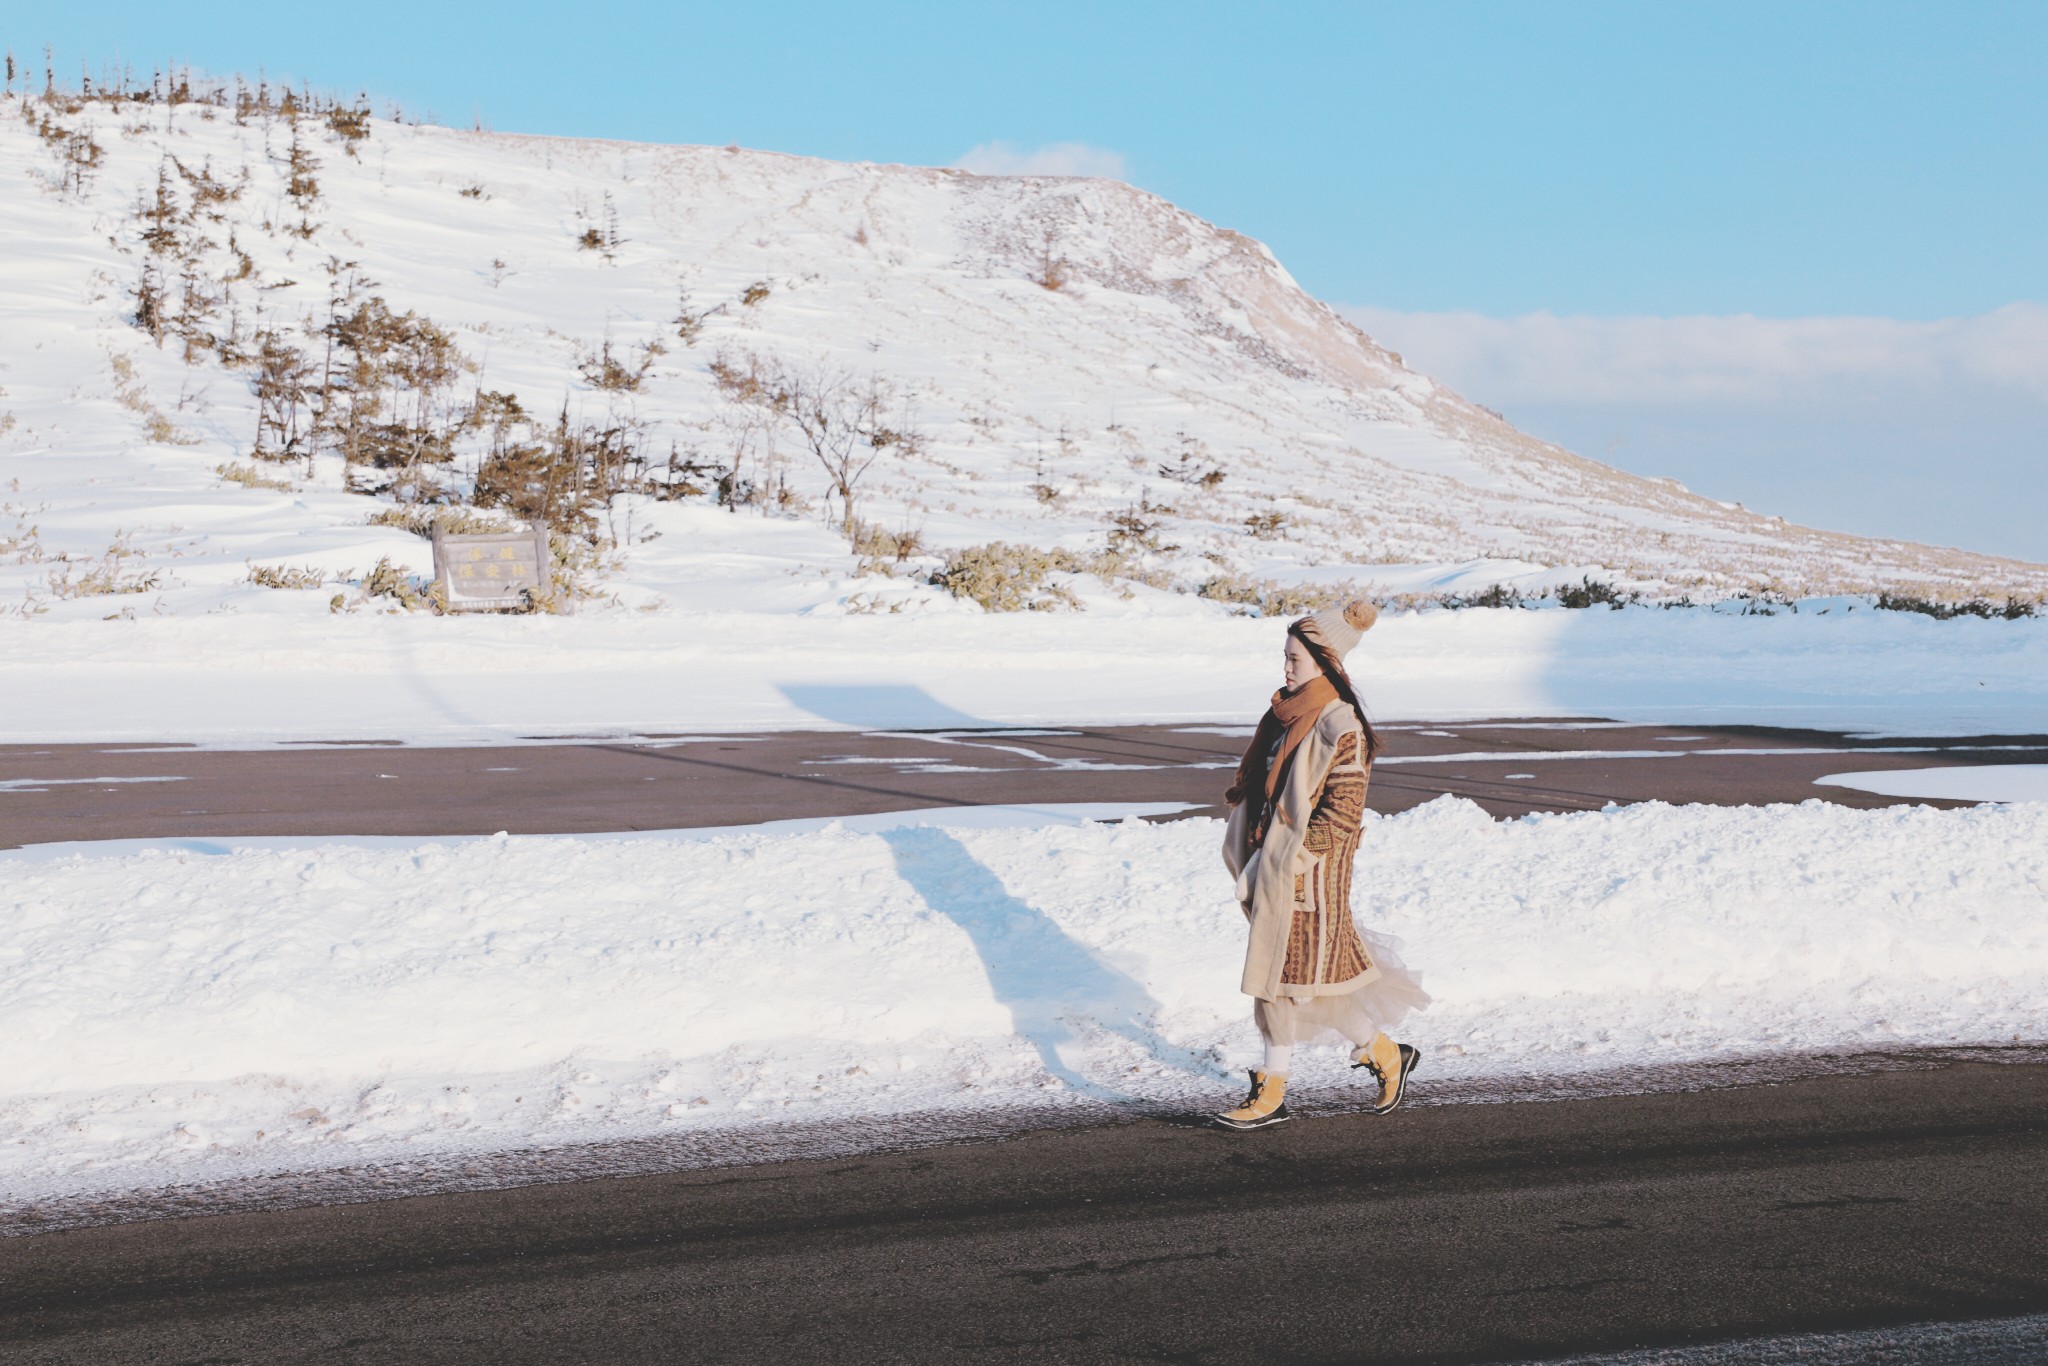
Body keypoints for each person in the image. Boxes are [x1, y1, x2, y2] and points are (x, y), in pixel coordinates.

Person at [1213, 599, 1429, 1131]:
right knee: (1302, 983)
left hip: (1308, 874)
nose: (1286, 667)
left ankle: (1273, 1089)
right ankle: (1385, 1053)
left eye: (1296, 659)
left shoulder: (1339, 724)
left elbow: (1344, 810)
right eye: (1284, 656)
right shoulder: (1285, 713)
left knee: (1280, 980)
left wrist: (1298, 858)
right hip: (1272, 864)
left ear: (1325, 662)